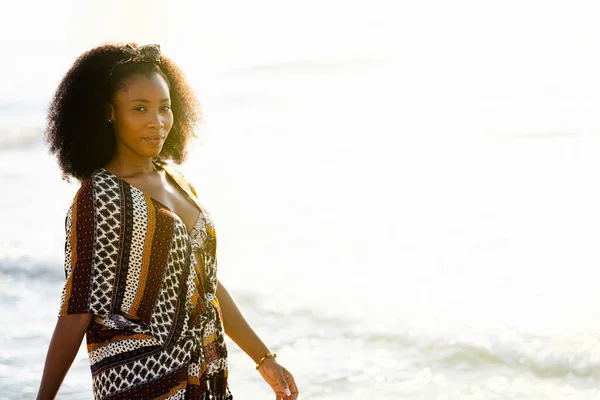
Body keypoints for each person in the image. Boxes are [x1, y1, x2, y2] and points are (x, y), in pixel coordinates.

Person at [37, 43, 299, 400]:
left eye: (164, 108)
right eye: (139, 108)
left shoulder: (176, 180)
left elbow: (205, 284)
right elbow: (78, 309)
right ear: (109, 113)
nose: (156, 122)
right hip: (142, 381)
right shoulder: (101, 197)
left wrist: (264, 358)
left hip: (205, 374)